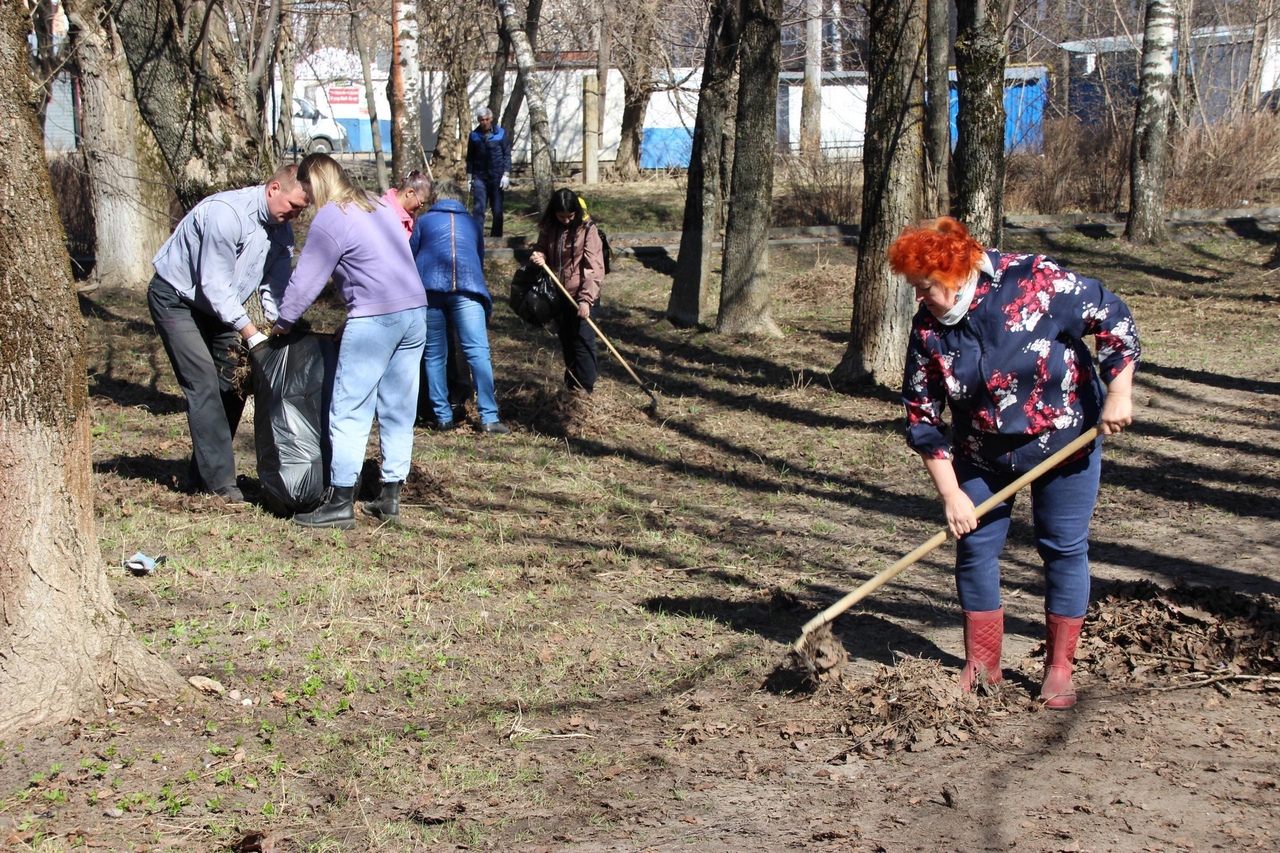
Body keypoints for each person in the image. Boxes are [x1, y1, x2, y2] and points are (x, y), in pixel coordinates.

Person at [891, 216, 1140, 709]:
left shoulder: (1035, 282)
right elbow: (922, 416)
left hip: (1063, 441)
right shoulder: (929, 331)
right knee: (975, 548)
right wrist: (951, 493)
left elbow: (1113, 319)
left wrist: (1119, 391)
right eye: (914, 289)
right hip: (983, 453)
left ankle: (1060, 668)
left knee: (1062, 547)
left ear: (957, 275)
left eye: (926, 288)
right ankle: (982, 665)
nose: (919, 299)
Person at [270, 154, 428, 528]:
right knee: (398, 409)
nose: (305, 198)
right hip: (414, 313)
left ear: (316, 182)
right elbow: (390, 264)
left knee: (350, 407)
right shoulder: (375, 203)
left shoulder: (332, 216)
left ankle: (340, 501)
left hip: (377, 319)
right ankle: (390, 496)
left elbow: (306, 281)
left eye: (306, 188)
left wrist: (282, 323)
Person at [148, 165, 310, 504]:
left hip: (219, 308)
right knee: (203, 383)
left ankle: (201, 477)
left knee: (233, 384)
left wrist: (283, 322)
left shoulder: (282, 232)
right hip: (177, 299)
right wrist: (251, 334)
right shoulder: (226, 214)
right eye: (293, 205)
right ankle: (222, 486)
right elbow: (214, 284)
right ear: (273, 189)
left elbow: (275, 288)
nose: (295, 214)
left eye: (301, 210)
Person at [409, 179, 509, 435]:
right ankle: (489, 417)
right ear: (460, 200)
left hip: (430, 290)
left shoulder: (424, 221)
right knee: (477, 352)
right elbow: (479, 256)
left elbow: (411, 253)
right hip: (468, 288)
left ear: (436, 198)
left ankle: (442, 416)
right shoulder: (472, 224)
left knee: (435, 355)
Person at [529, 188, 606, 394]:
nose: (565, 220)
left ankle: (586, 389)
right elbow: (541, 247)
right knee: (567, 341)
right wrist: (539, 255)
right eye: (561, 216)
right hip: (559, 293)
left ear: (576, 213)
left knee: (583, 340)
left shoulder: (588, 230)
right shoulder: (549, 226)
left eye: (569, 216)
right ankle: (572, 385)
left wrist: (585, 300)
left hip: (583, 294)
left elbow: (594, 268)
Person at [465, 108, 511, 238]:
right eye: (481, 120)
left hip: (497, 176)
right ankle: (477, 237)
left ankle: (496, 238)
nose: (484, 122)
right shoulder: (474, 135)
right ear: (479, 121)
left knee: (497, 210)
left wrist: (506, 174)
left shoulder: (501, 134)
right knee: (479, 209)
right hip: (480, 176)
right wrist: (469, 178)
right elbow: (470, 158)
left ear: (491, 119)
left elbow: (507, 155)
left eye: (486, 119)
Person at [382, 169, 432, 237]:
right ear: (410, 193)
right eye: (421, 202)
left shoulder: (409, 214)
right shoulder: (384, 210)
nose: (421, 207)